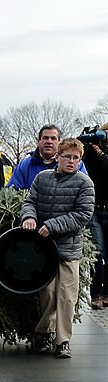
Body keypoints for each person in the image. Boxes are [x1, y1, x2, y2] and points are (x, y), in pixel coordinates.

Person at [22, 138, 95, 359]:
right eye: (67, 156)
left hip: (68, 250)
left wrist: (52, 226)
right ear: (58, 157)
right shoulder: (42, 178)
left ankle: (62, 340)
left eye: (76, 158)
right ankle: (44, 332)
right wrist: (29, 217)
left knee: (66, 296)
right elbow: (30, 201)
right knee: (48, 293)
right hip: (43, 249)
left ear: (80, 160)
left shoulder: (85, 183)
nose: (71, 161)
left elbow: (82, 215)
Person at [8, 124, 88, 190]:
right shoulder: (25, 165)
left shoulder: (77, 164)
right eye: (45, 138)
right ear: (38, 141)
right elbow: (12, 191)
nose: (49, 142)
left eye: (53, 138)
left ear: (59, 142)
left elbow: (85, 190)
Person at [81, 123, 108, 309]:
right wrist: (87, 138)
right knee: (98, 252)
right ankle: (96, 293)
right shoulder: (91, 151)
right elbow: (78, 152)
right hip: (94, 209)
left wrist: (100, 152)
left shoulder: (101, 154)